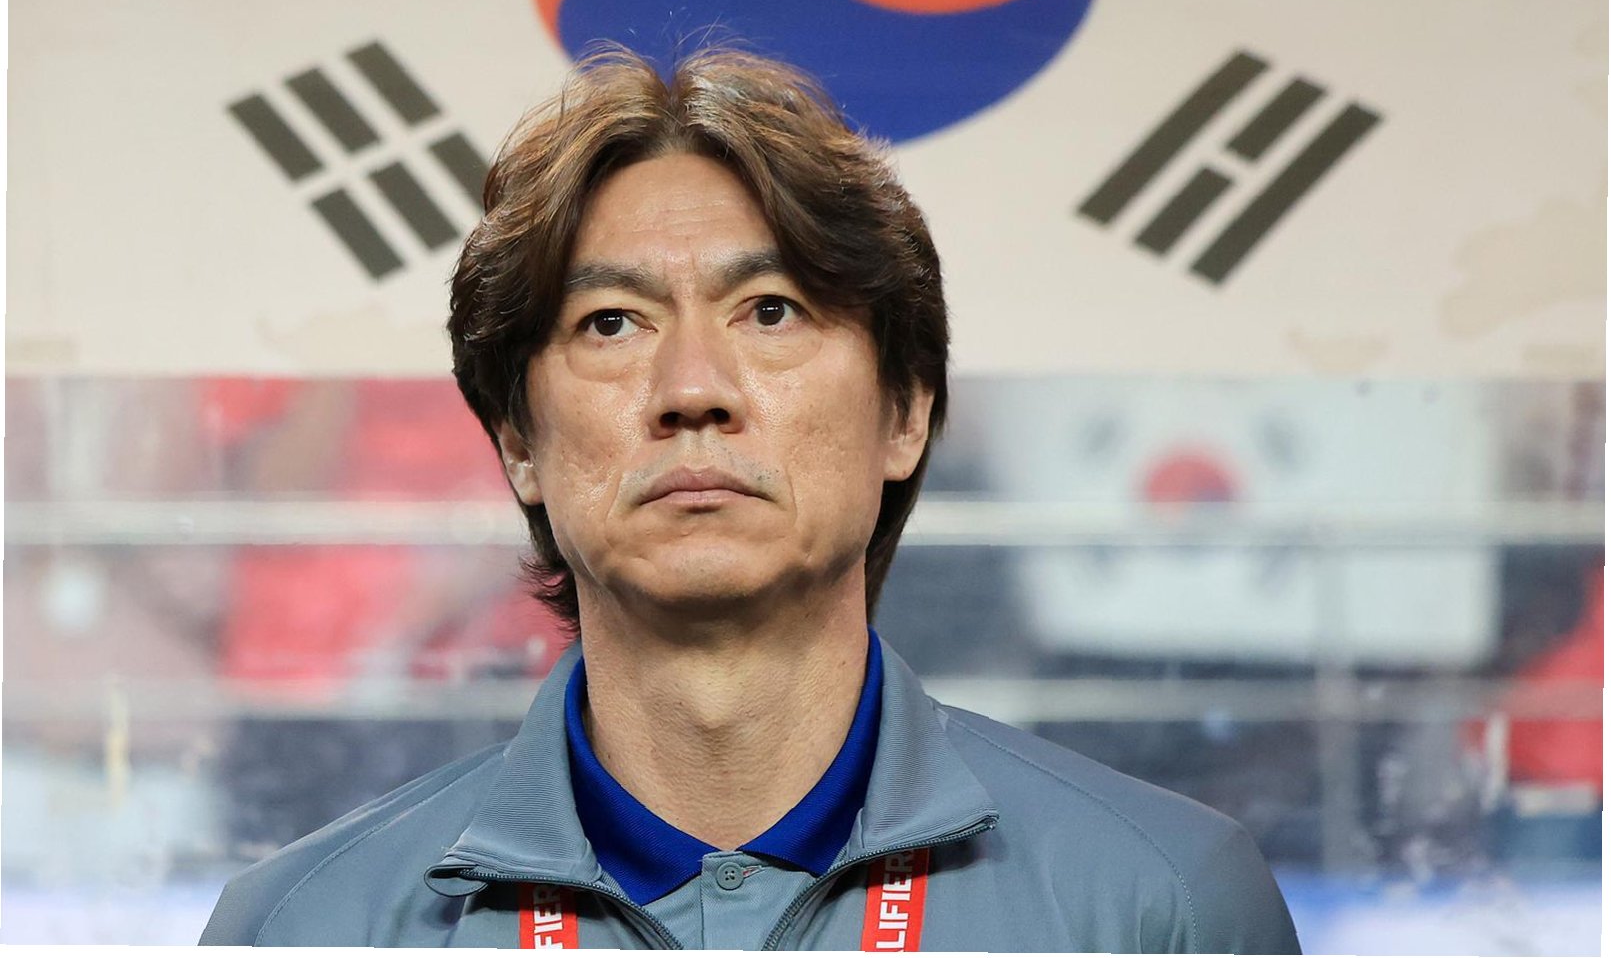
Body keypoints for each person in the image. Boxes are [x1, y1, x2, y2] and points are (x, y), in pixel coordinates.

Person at [200, 46, 1301, 951]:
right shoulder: (304, 929)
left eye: (771, 310)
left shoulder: (1163, 905)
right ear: (519, 444)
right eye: (611, 323)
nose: (693, 390)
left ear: (905, 412)